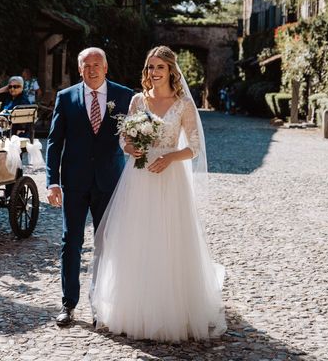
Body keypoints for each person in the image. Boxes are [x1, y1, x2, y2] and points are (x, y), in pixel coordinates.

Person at [91, 45, 226, 342]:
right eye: (150, 67)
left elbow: (194, 147)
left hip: (170, 177)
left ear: (171, 71)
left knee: (168, 240)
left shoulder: (183, 105)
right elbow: (125, 138)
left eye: (159, 68)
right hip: (138, 177)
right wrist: (129, 147)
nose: (154, 73)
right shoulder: (139, 100)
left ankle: (170, 312)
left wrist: (170, 157)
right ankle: (134, 310)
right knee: (137, 239)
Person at [46, 47, 133, 327]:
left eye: (97, 64)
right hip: (74, 182)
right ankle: (68, 304)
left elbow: (134, 136)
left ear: (106, 68)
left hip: (110, 181)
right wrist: (52, 182)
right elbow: (54, 142)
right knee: (70, 241)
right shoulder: (66, 97)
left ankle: (102, 303)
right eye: (86, 65)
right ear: (79, 68)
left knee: (106, 243)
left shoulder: (125, 96)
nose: (92, 69)